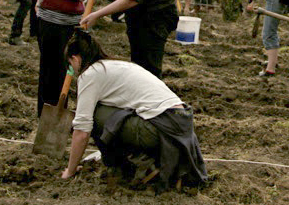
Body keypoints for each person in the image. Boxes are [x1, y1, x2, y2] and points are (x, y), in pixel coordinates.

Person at [60, 30, 208, 191]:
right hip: (180, 121)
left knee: (95, 114)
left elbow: (82, 130)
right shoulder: (116, 65)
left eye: (70, 65)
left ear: (75, 58)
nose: (73, 71)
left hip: (162, 127)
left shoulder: (90, 74)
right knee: (110, 112)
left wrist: (70, 170)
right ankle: (140, 160)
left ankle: (122, 166)